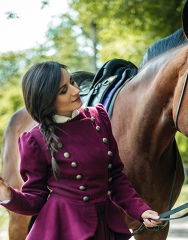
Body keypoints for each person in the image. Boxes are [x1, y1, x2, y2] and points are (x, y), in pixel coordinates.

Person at [0, 61, 160, 240]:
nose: (75, 91)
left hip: (105, 226)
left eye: (72, 82)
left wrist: (141, 210)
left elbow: (116, 178)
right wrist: (7, 195)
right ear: (46, 100)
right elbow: (36, 199)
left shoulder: (98, 119)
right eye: (63, 90)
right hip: (65, 229)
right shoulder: (35, 140)